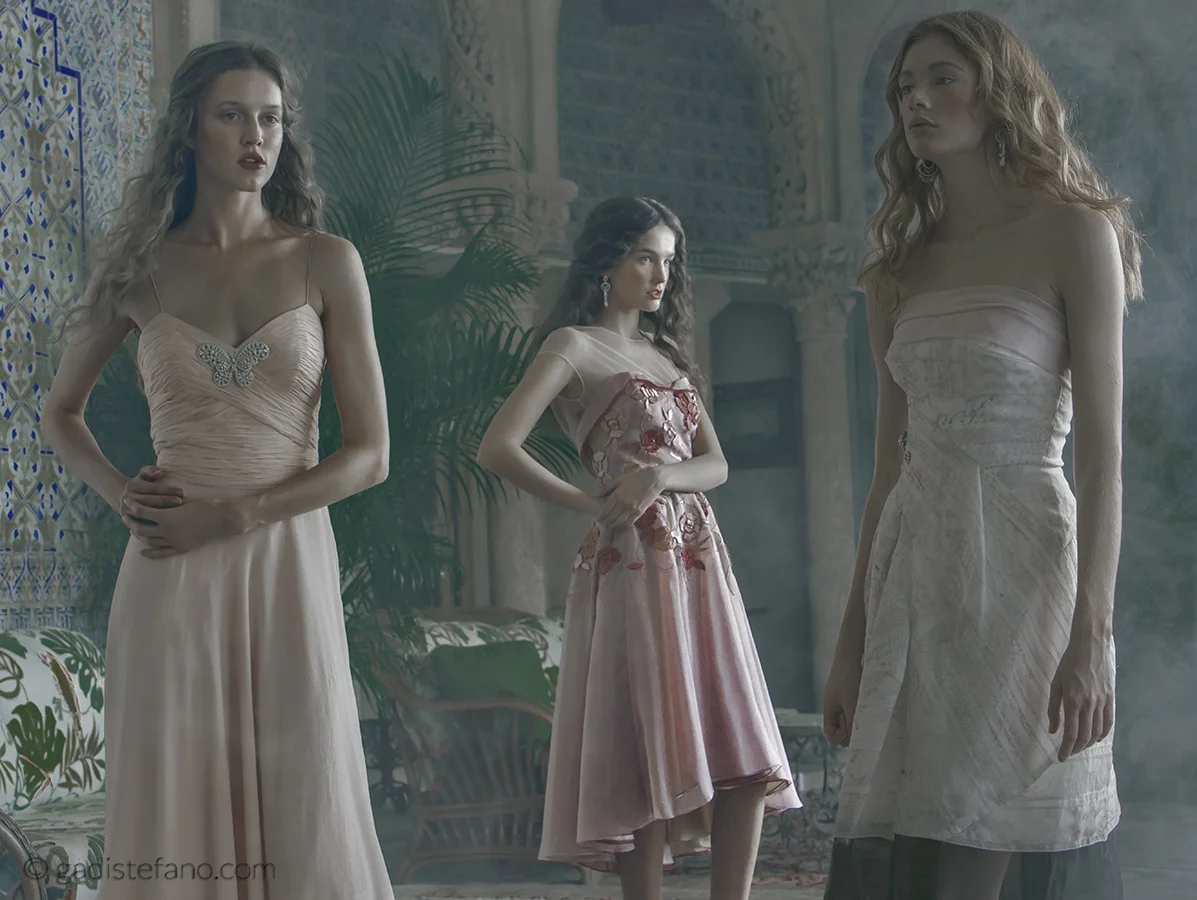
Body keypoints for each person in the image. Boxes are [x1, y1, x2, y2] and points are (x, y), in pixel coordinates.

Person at [43, 41, 393, 899]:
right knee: (178, 784)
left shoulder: (325, 260)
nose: (255, 136)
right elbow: (60, 413)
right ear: (190, 131)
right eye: (232, 115)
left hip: (285, 562)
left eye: (270, 118)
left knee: (303, 784)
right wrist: (121, 493)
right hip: (169, 567)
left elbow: (371, 455)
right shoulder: (140, 270)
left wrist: (238, 514)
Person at [820, 11, 1141, 900]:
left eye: (941, 79)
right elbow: (888, 470)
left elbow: (1103, 454)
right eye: (903, 89)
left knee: (975, 833)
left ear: (997, 93)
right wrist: (849, 645)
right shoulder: (896, 269)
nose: (916, 102)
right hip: (914, 573)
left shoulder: (1074, 232)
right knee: (918, 833)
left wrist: (1091, 635)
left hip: (1023, 569)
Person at [476, 195, 800, 900]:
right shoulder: (572, 346)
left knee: (741, 748)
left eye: (668, 262)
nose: (659, 275)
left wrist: (659, 476)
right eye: (645, 257)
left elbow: (716, 465)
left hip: (698, 560)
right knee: (644, 748)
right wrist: (590, 503)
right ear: (607, 259)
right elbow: (497, 446)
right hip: (629, 561)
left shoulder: (666, 355)